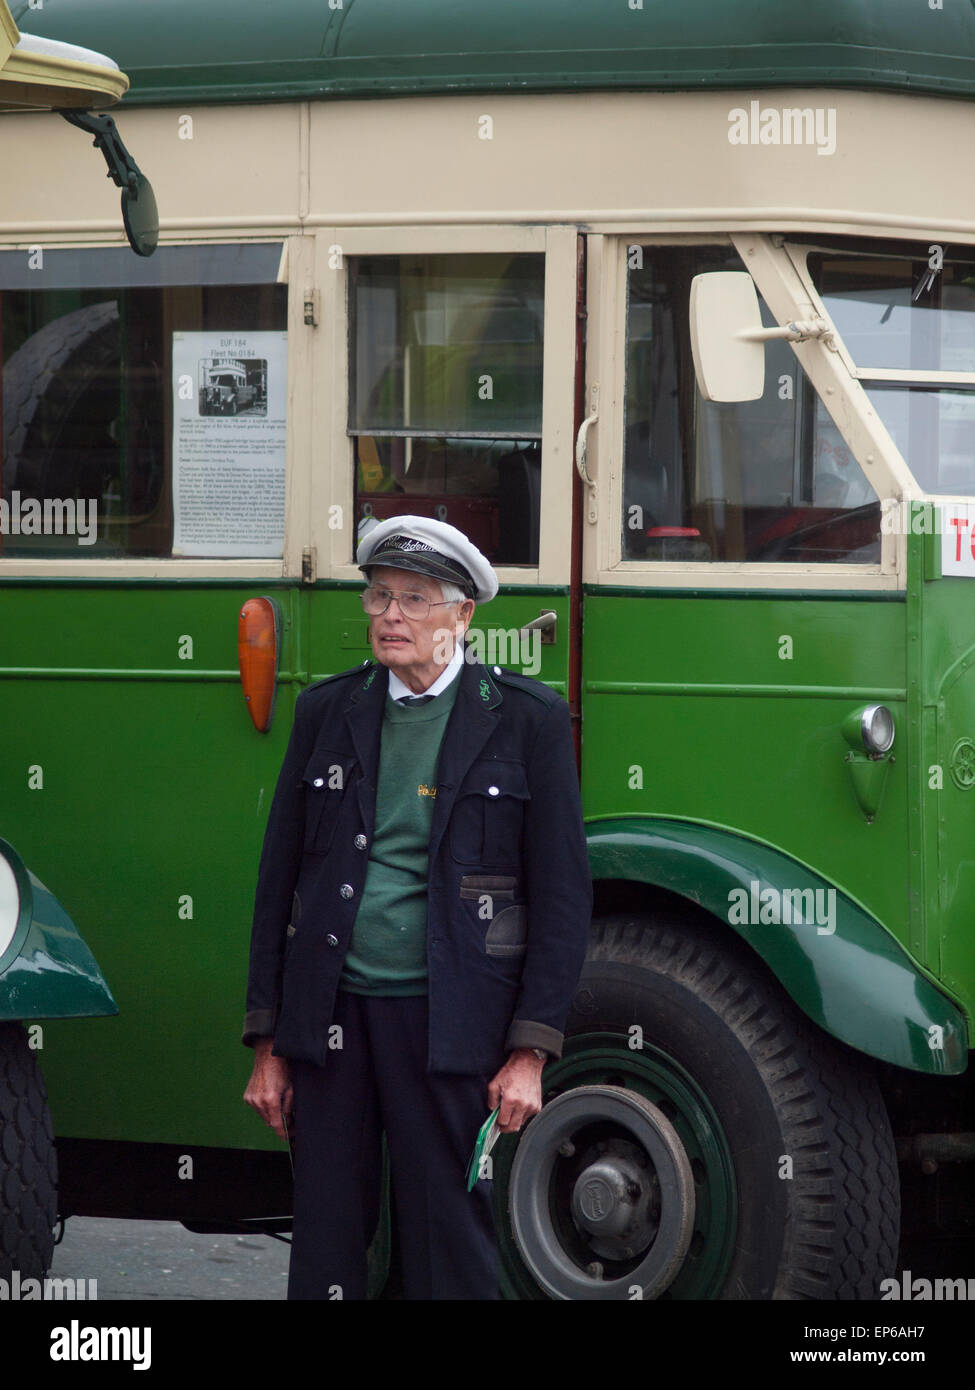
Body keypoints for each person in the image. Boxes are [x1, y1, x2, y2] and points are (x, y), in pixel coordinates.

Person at [242, 515, 592, 1300]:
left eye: (414, 599)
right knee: (327, 1236)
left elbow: (563, 897)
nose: (391, 616)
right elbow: (277, 884)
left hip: (450, 1022)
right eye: (378, 597)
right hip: (332, 1017)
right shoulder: (326, 711)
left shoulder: (527, 720)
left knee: (449, 1240)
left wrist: (530, 1051)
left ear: (463, 615)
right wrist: (268, 1042)